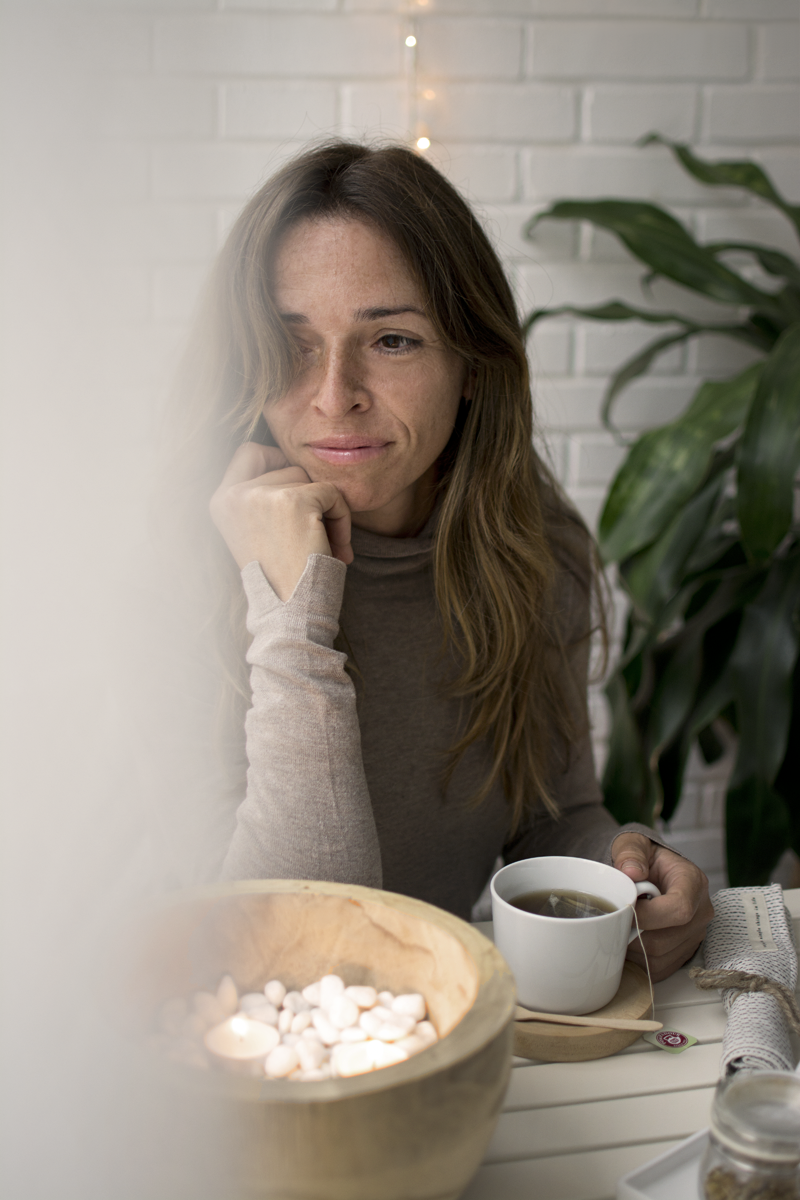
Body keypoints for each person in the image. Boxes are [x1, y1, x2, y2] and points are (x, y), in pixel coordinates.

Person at [164, 139, 712, 982]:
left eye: (391, 340)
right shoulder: (165, 573)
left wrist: (624, 865)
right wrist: (292, 616)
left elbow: (548, 813)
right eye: (292, 342)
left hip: (442, 1030)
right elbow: (295, 949)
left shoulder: (537, 552)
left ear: (470, 366)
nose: (334, 393)